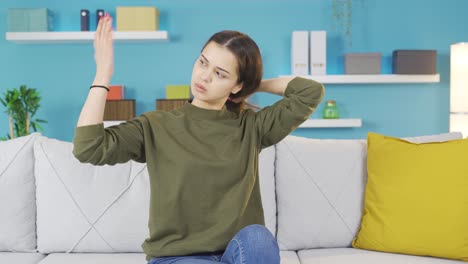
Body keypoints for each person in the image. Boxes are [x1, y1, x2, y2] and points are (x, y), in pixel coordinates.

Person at [72, 13, 325, 264]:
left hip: (239, 255)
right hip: (177, 258)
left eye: (220, 74)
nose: (204, 76)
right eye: (203, 63)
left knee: (258, 238)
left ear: (237, 85)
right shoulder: (156, 126)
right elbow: (88, 147)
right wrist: (102, 75)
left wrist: (252, 84)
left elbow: (310, 92)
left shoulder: (252, 127)